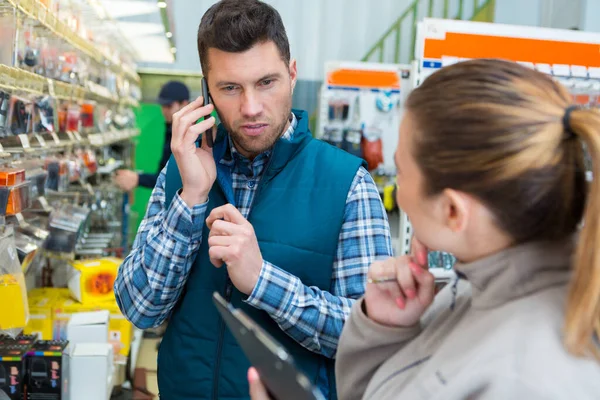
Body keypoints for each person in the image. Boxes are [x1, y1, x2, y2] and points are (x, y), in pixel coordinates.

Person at [248, 59, 600, 399]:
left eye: (401, 171)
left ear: (452, 211)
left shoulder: (527, 380)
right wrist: (382, 330)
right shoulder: (464, 295)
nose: (395, 187)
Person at [113, 1, 393, 399]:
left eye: (267, 82)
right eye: (230, 88)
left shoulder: (347, 183)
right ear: (206, 90)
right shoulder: (182, 170)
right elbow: (141, 309)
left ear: (292, 74)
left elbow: (369, 337)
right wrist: (191, 198)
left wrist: (264, 281)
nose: (251, 108)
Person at [114, 80, 190, 191]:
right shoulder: (171, 129)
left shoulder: (190, 136)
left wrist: (138, 179)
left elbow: (176, 180)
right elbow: (164, 172)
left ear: (184, 104)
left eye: (169, 106)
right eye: (163, 106)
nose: (164, 111)